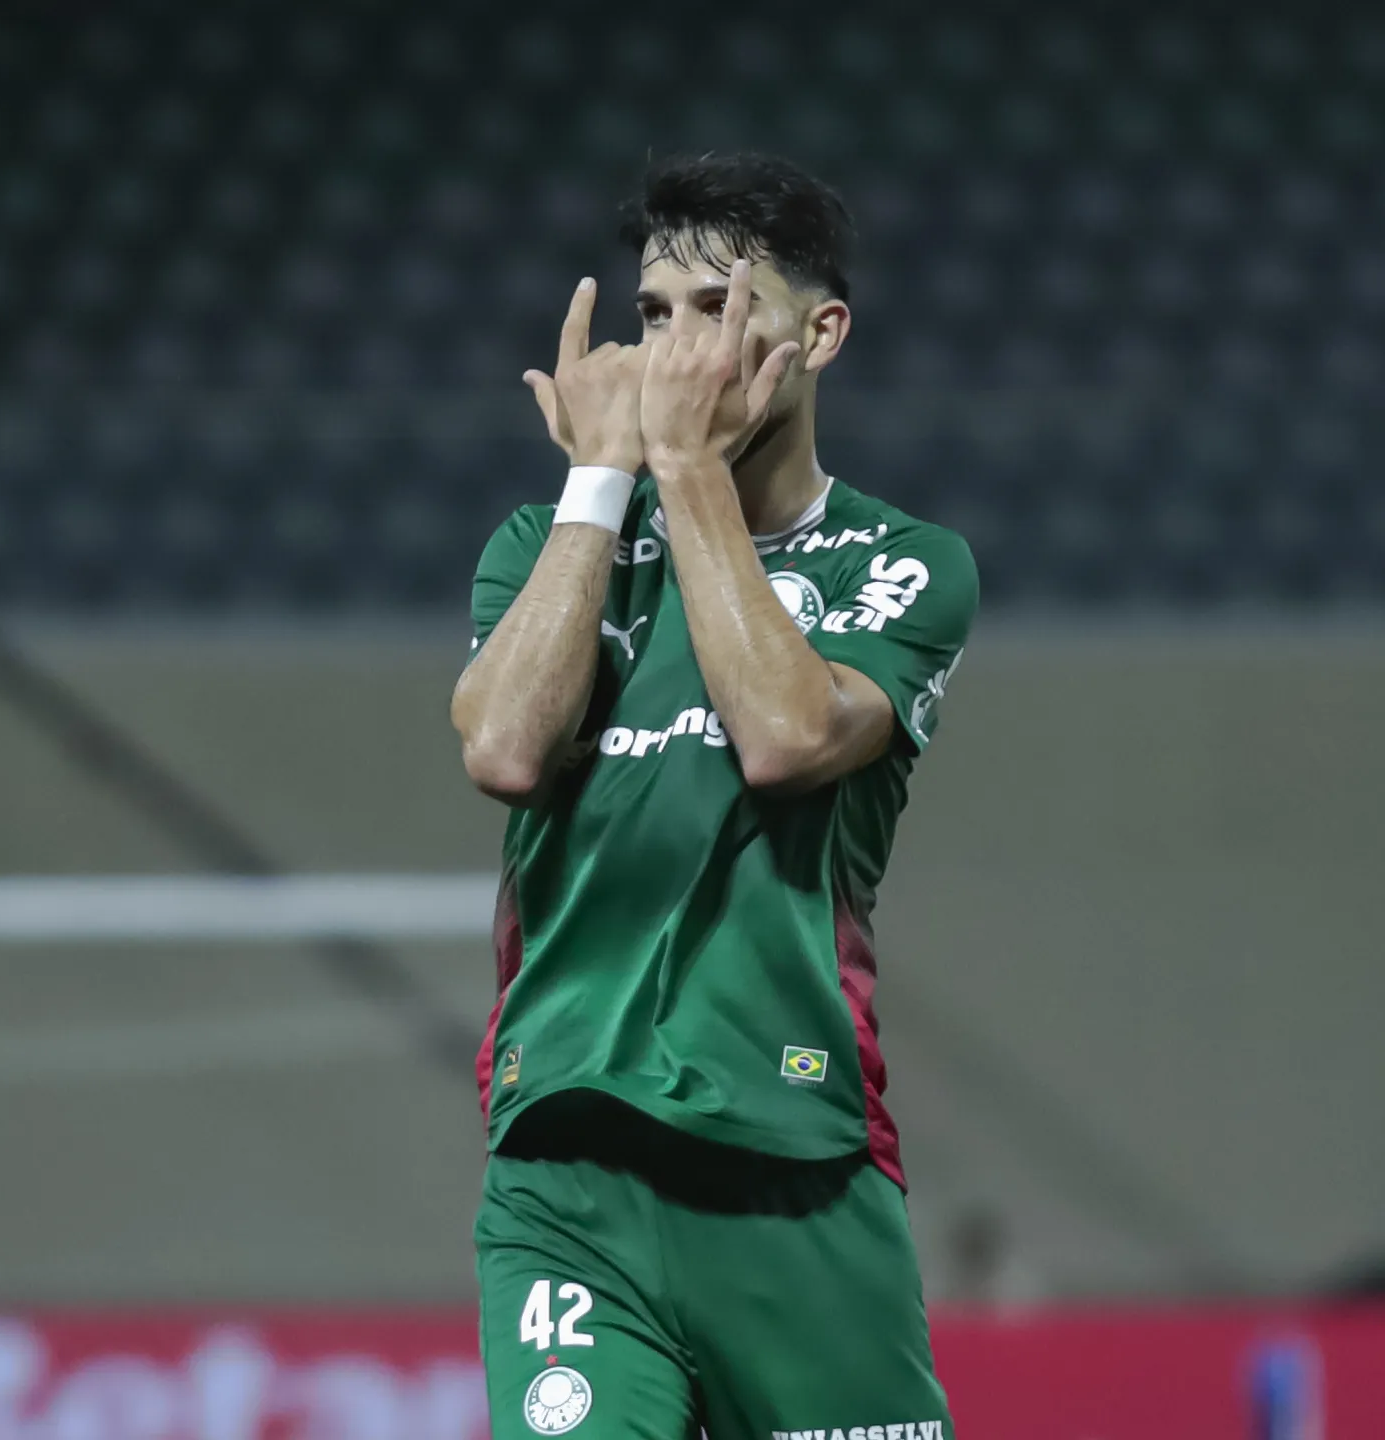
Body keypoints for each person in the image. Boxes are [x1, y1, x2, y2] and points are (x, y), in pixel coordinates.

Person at [450, 152, 977, 1440]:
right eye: (653, 317)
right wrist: (600, 484)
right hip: (567, 1165)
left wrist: (685, 473)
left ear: (819, 335)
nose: (676, 353)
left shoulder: (905, 565)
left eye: (719, 310)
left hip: (793, 1162)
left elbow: (789, 736)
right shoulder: (548, 547)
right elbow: (506, 751)